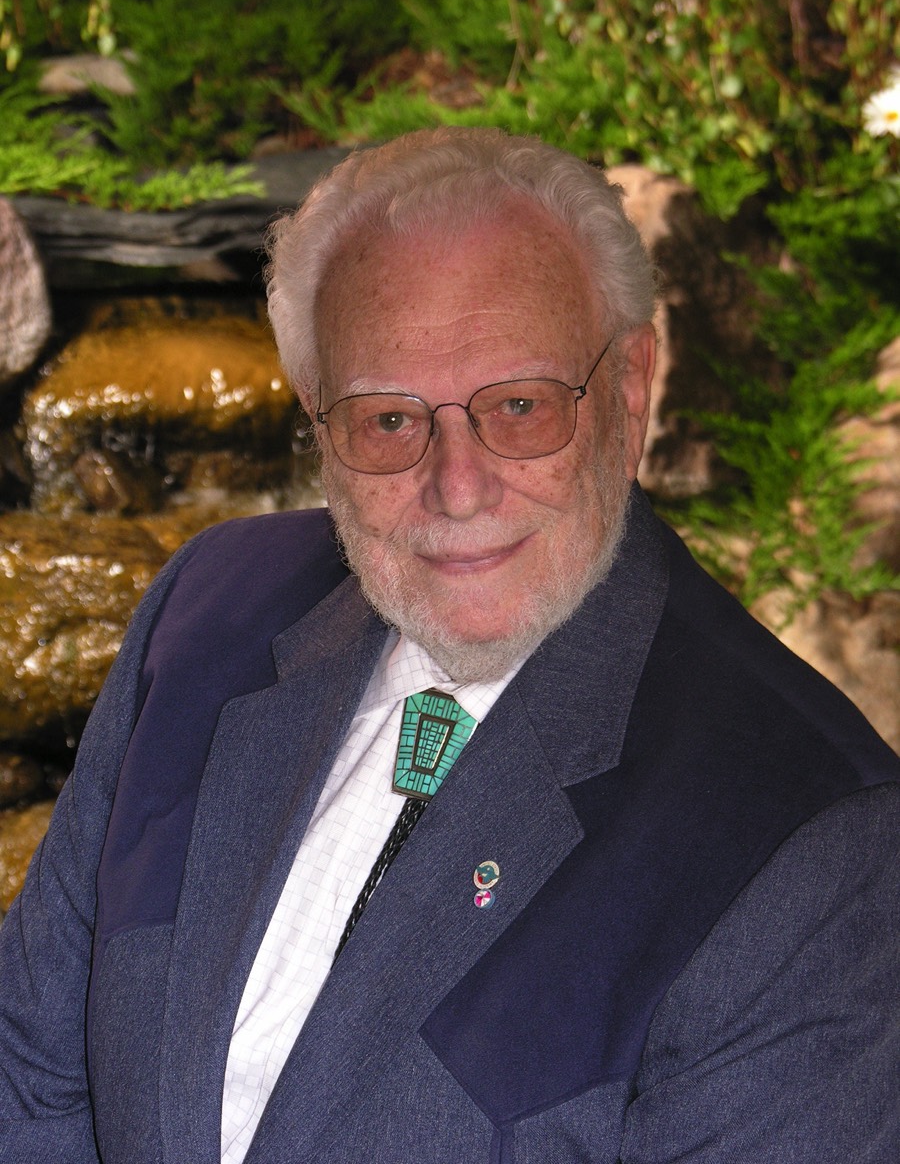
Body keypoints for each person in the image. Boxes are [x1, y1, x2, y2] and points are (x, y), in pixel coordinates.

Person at [1, 127, 897, 1164]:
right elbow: (29, 1070)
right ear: (318, 421)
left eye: (519, 407)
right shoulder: (206, 613)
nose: (456, 488)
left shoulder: (815, 847)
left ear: (631, 390)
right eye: (389, 420)